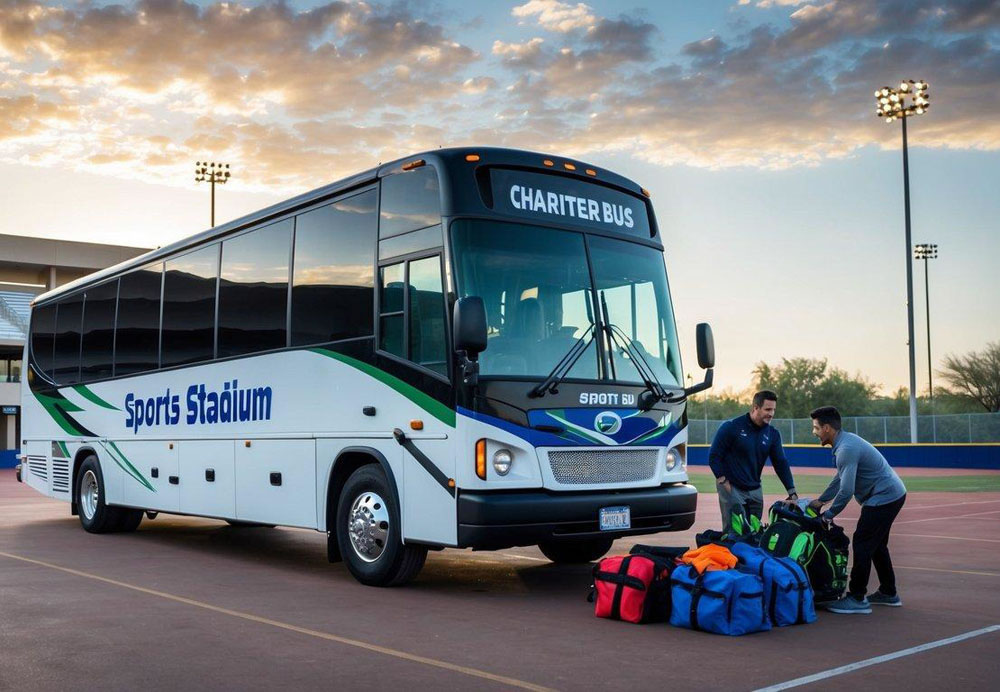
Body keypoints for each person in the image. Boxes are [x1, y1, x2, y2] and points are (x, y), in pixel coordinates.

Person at [808, 406, 908, 614]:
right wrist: (821, 501)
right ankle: (889, 593)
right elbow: (840, 478)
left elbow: (846, 490)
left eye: (816, 428)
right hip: (892, 494)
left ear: (827, 428)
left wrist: (828, 515)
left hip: (884, 497)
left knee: (862, 542)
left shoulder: (846, 449)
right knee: (877, 545)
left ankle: (857, 597)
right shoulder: (845, 443)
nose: (814, 432)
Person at [708, 390, 798, 530]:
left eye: (773, 409)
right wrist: (723, 480)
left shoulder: (772, 434)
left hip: (755, 489)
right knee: (735, 531)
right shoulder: (732, 427)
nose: (771, 414)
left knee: (754, 530)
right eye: (767, 409)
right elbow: (714, 456)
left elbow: (780, 462)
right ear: (755, 408)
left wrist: (791, 491)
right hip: (732, 488)